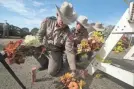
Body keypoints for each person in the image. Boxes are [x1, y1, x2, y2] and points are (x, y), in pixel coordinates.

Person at [33, 1, 78, 77]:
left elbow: (69, 51)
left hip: (56, 50)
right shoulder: (47, 22)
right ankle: (44, 63)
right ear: (57, 15)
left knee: (52, 72)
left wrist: (73, 69)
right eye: (62, 18)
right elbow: (39, 36)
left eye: (66, 20)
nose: (63, 22)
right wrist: (37, 46)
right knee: (32, 48)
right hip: (44, 46)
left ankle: (58, 62)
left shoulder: (68, 33)